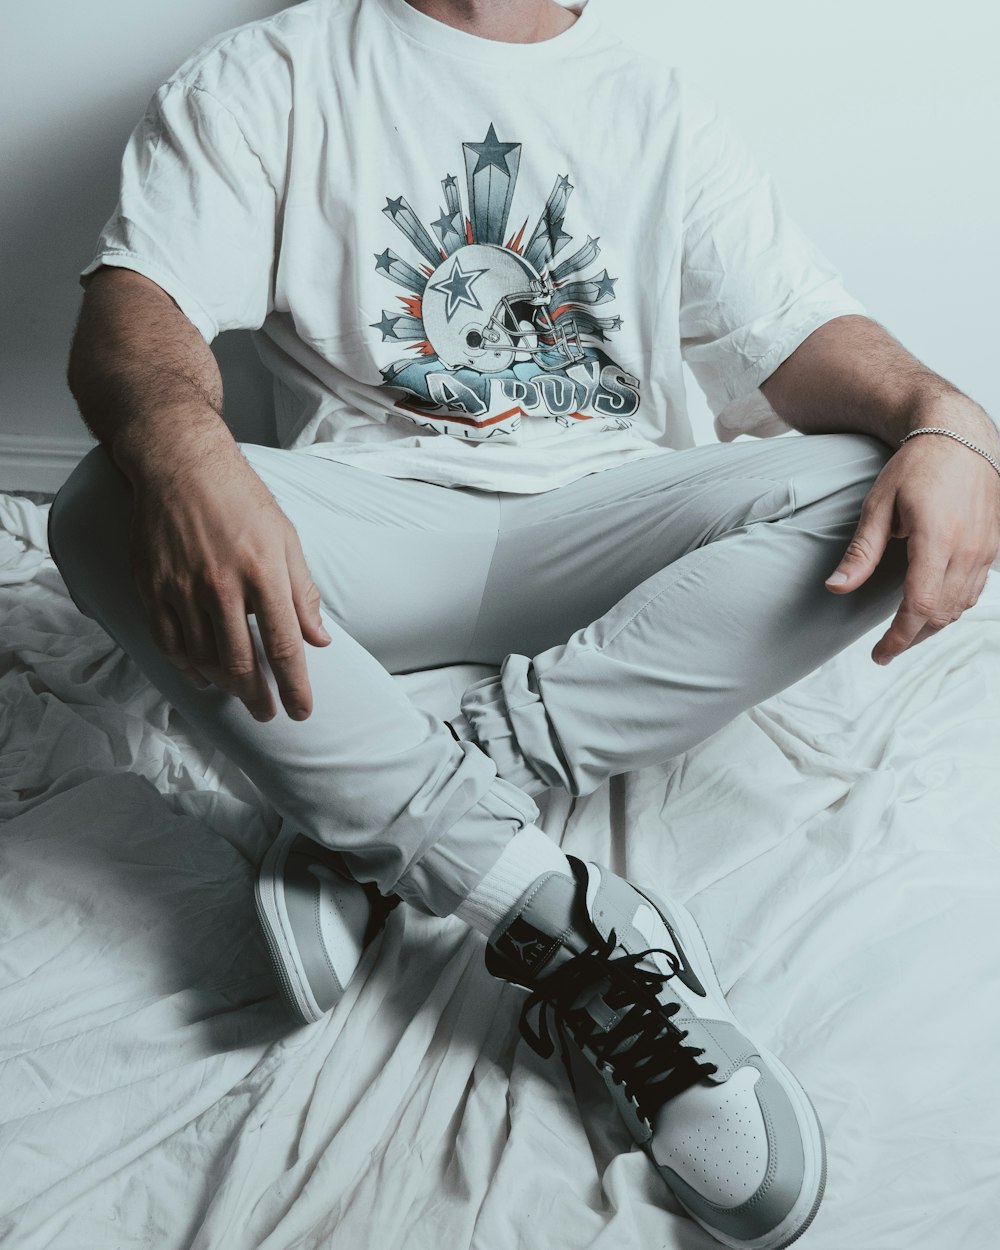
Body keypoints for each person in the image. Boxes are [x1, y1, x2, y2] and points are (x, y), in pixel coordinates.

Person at [49, 0, 1000, 1245]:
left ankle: (434, 785)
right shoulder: (276, 67)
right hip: (373, 538)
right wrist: (181, 447)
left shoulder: (651, 102)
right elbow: (137, 304)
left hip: (599, 524)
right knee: (106, 498)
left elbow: (808, 340)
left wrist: (951, 421)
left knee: (872, 481)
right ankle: (550, 909)